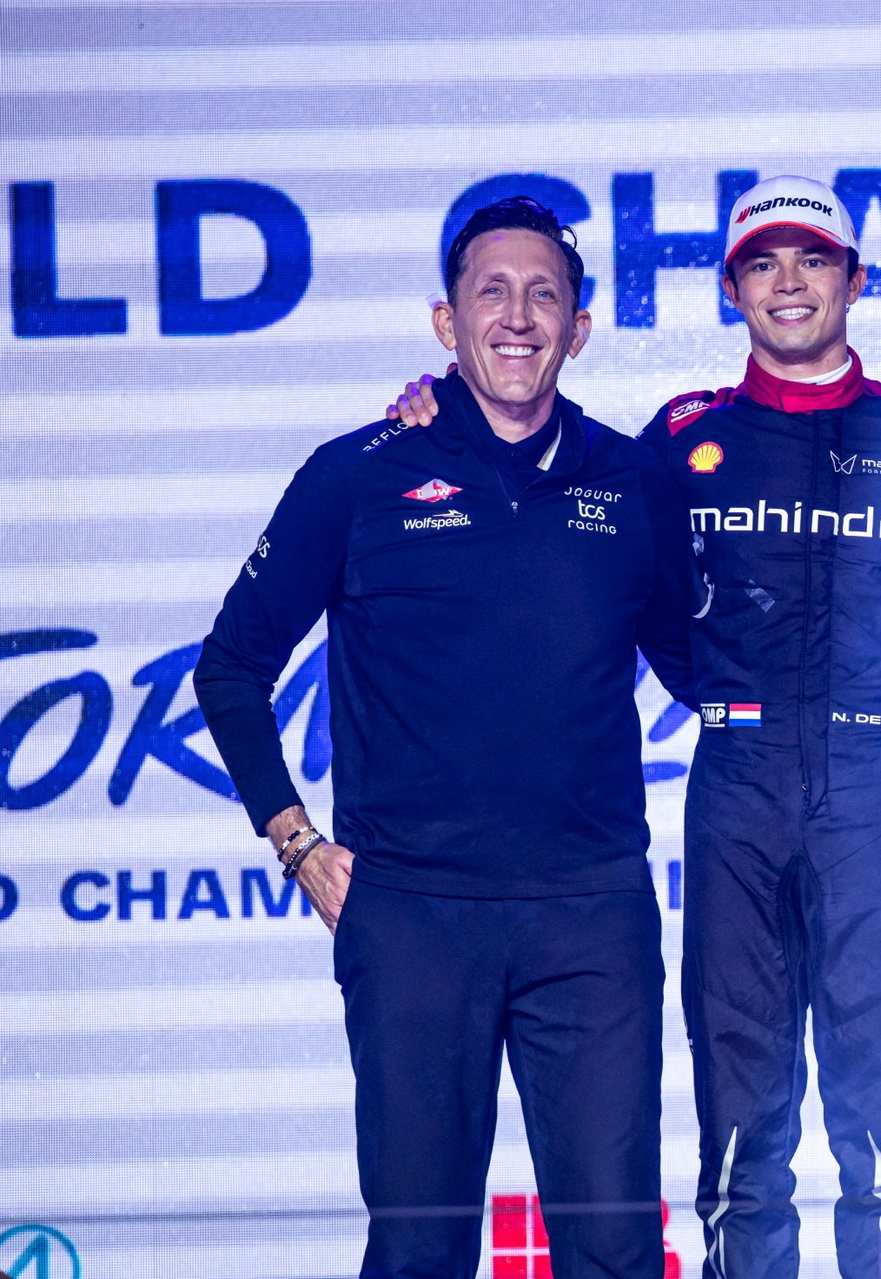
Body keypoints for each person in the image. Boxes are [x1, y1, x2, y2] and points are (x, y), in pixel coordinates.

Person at [385, 175, 881, 1279]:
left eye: (812, 260)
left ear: (856, 278)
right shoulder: (678, 440)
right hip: (737, 783)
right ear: (733, 288)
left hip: (872, 790)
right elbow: (558, 507)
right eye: (762, 263)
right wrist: (435, 402)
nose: (788, 283)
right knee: (743, 1110)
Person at [194, 196, 702, 1279]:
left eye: (544, 296)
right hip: (414, 918)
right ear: (445, 320)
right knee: (421, 1250)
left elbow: (708, 670)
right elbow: (230, 664)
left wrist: (876, 705)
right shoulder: (360, 473)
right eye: (491, 292)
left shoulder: (633, 478)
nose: (517, 317)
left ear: (580, 328)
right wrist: (295, 840)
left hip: (592, 918)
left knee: (614, 1248)